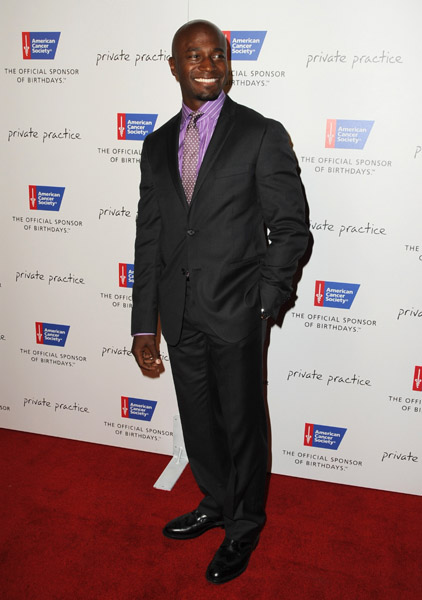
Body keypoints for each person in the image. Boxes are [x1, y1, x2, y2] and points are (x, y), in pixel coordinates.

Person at [131, 19, 309, 584]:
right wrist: (143, 324)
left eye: (217, 55)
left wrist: (264, 303)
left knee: (242, 425)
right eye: (194, 56)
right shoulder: (156, 145)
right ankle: (215, 500)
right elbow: (150, 236)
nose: (207, 65)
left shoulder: (260, 133)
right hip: (180, 315)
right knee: (198, 422)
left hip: (238, 312)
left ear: (228, 63)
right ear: (174, 66)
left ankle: (245, 524)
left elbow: (291, 228)